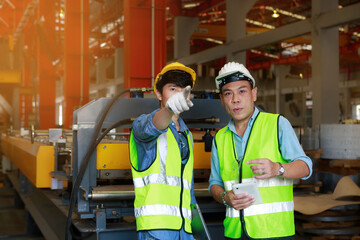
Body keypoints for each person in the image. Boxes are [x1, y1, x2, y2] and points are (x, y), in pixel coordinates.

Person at [209, 62, 313, 240]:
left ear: (254, 94)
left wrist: (277, 169)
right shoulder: (220, 138)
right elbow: (215, 184)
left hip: (274, 232)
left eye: (242, 91)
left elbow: (306, 167)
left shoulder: (277, 124)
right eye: (228, 93)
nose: (235, 99)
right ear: (222, 99)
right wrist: (226, 198)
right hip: (235, 233)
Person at [129, 62, 197, 240]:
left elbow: (187, 188)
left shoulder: (187, 134)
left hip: (185, 230)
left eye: (183, 90)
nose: (178, 95)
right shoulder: (142, 125)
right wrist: (169, 110)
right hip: (157, 231)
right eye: (173, 89)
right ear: (159, 93)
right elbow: (153, 126)